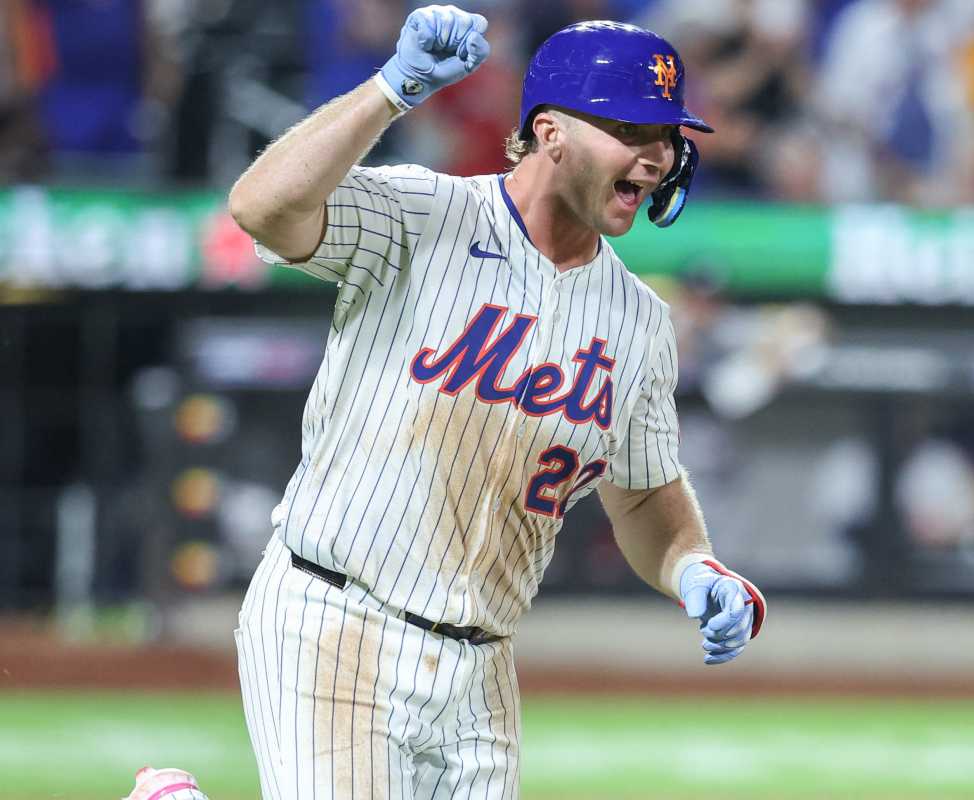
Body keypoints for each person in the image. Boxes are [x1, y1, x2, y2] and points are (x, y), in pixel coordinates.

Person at [213, 6, 766, 799]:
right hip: (336, 617)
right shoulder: (424, 213)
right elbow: (261, 208)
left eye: (667, 135)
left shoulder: (641, 322)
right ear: (550, 132)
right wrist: (391, 89)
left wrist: (693, 566)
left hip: (482, 669)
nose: (656, 156)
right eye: (632, 130)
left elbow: (645, 494)